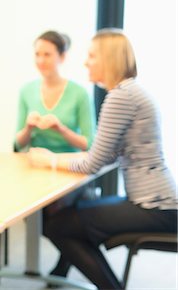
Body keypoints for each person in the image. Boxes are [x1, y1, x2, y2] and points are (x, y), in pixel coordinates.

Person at [28, 28, 177, 289]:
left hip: (154, 208)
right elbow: (106, 155)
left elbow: (92, 163)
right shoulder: (131, 92)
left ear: (110, 59)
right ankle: (63, 272)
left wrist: (50, 160)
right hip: (160, 204)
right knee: (71, 215)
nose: (86, 62)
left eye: (92, 56)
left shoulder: (121, 97)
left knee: (57, 225)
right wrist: (59, 158)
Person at [15, 30, 95, 279]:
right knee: (32, 216)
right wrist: (28, 127)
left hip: (69, 169)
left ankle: (65, 261)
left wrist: (61, 128)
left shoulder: (80, 93)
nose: (41, 60)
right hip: (37, 167)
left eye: (47, 54)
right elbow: (18, 144)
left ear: (62, 56)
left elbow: (88, 144)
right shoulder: (27, 91)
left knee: (60, 217)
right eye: (37, 54)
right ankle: (68, 257)